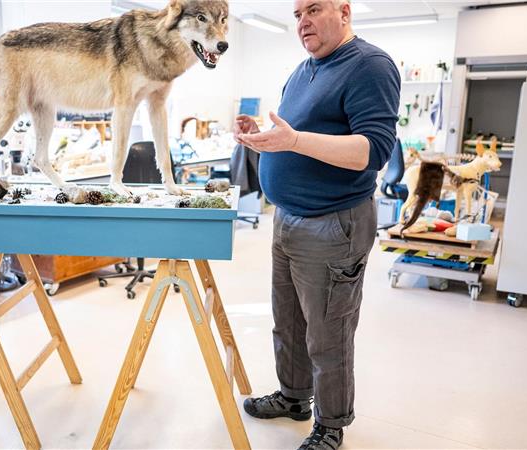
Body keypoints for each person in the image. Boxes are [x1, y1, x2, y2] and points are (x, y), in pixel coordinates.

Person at [233, 0, 400, 448]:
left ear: (343, 12)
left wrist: (294, 140)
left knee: (328, 333)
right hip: (287, 218)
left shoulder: (370, 65)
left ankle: (331, 424)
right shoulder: (304, 69)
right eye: (296, 15)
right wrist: (262, 138)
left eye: (314, 9)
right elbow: (294, 137)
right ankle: (293, 397)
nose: (302, 21)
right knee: (286, 321)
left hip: (333, 222)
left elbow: (372, 151)